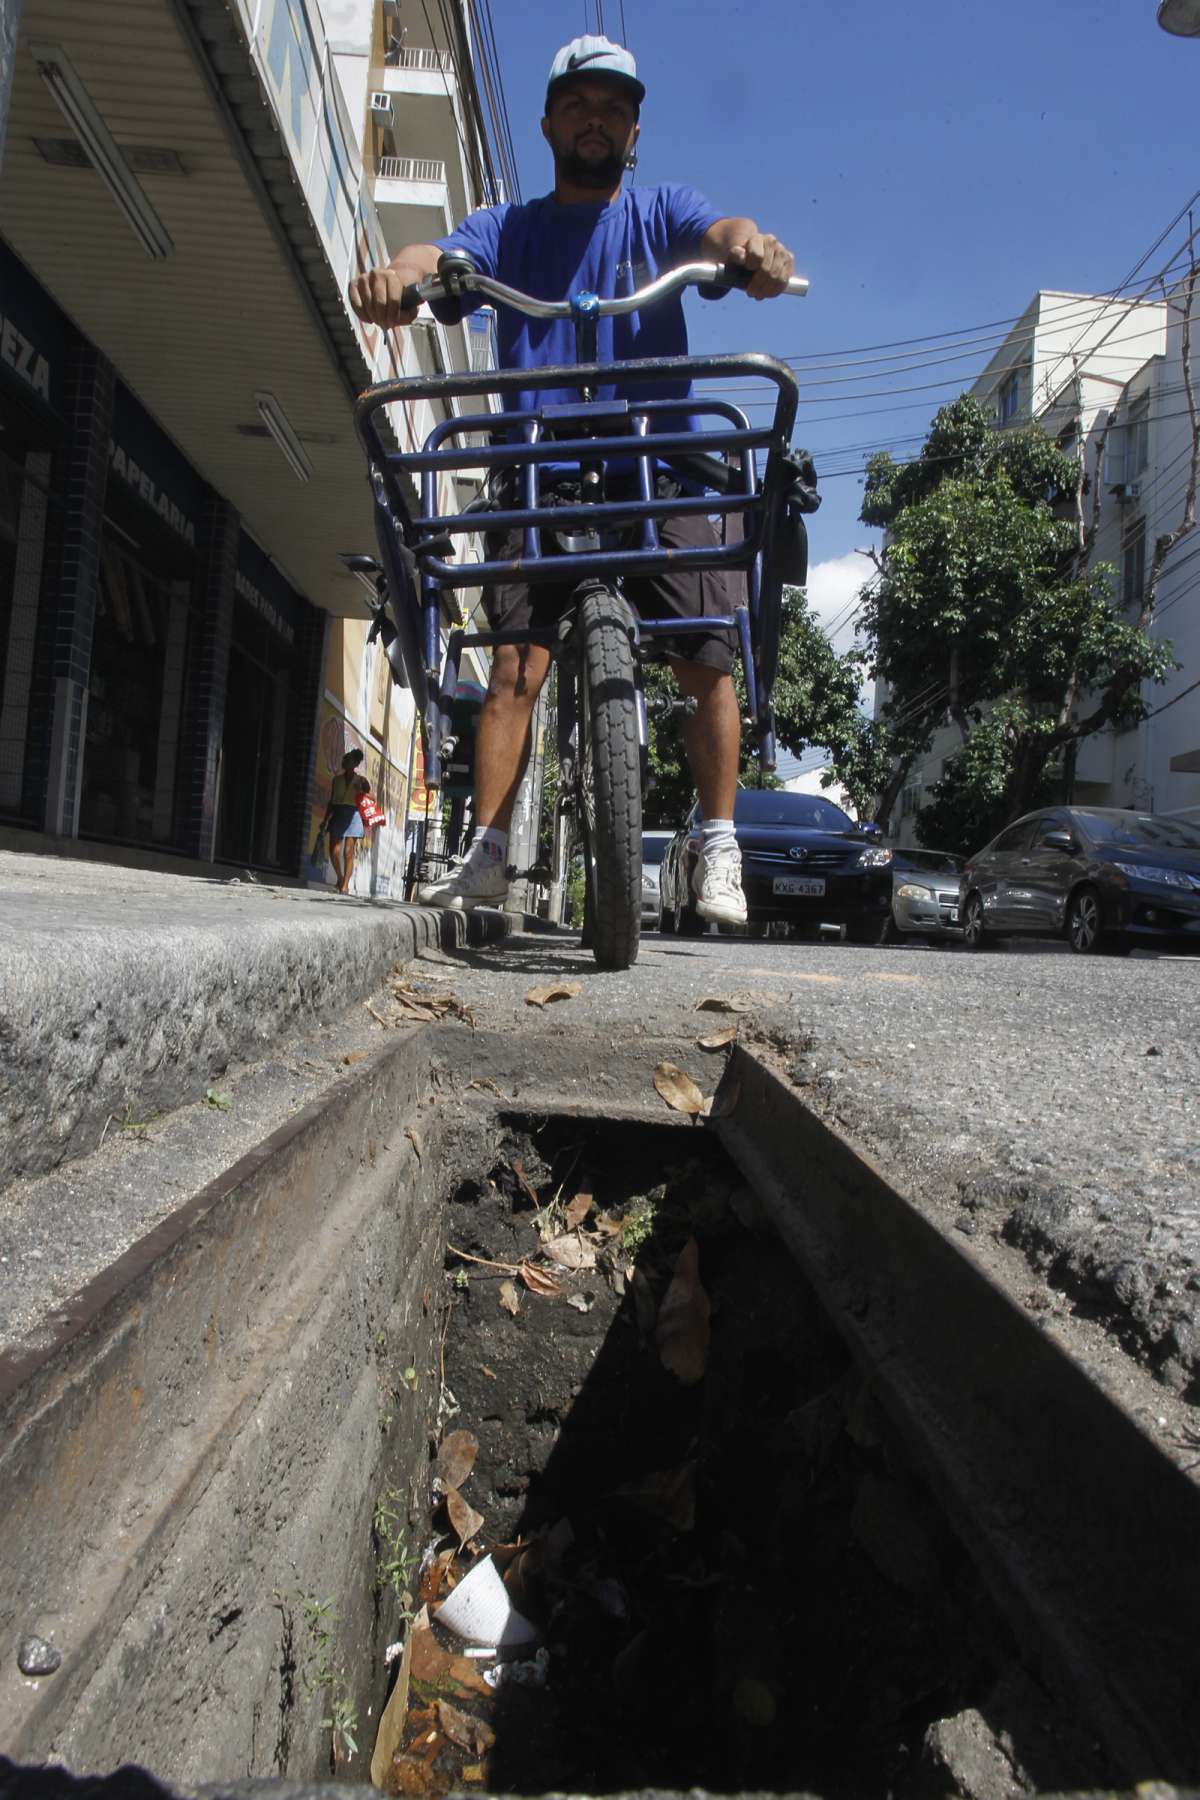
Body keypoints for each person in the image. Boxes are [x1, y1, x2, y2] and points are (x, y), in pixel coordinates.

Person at [348, 34, 795, 923]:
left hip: (658, 461)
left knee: (706, 652)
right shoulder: (507, 230)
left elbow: (722, 233)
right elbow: (433, 257)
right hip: (536, 465)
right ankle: (488, 853)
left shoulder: (660, 212)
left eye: (615, 107)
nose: (597, 118)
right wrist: (398, 279)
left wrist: (752, 251)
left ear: (635, 132)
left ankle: (719, 843)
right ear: (550, 122)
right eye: (579, 104)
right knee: (514, 663)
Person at [321, 747, 368, 895]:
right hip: (338, 814)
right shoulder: (337, 780)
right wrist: (325, 820)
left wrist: (361, 790)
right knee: (334, 851)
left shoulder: (361, 780)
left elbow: (371, 796)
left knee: (348, 852)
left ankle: (345, 885)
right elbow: (332, 801)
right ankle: (340, 878)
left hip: (354, 815)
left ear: (355, 764)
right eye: (344, 759)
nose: (344, 762)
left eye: (348, 760)